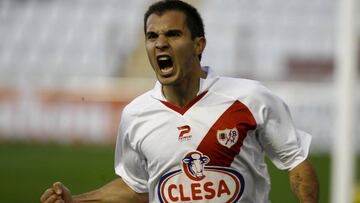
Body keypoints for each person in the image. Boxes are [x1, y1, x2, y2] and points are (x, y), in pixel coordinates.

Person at [40, 0, 319, 202]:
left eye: (173, 34)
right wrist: (76, 200)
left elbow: (296, 163)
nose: (160, 43)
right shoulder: (136, 114)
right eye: (152, 36)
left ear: (199, 45)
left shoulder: (250, 98)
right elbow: (137, 187)